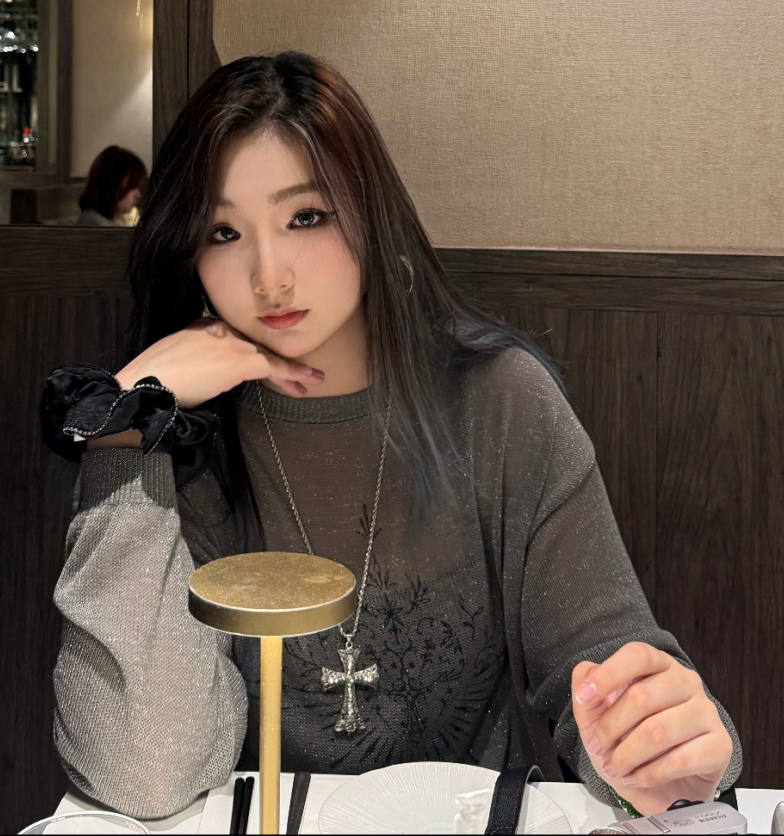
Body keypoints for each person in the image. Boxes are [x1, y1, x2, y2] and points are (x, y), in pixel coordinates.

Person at [40, 51, 742, 821]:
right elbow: (143, 771)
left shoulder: (500, 403)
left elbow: (603, 662)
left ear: (370, 215)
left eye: (305, 217)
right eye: (225, 230)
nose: (270, 276)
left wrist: (656, 748)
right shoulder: (179, 435)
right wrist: (123, 426)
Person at [75, 145, 148, 227]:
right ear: (114, 185)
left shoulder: (117, 224)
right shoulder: (94, 225)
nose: (138, 195)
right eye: (132, 186)